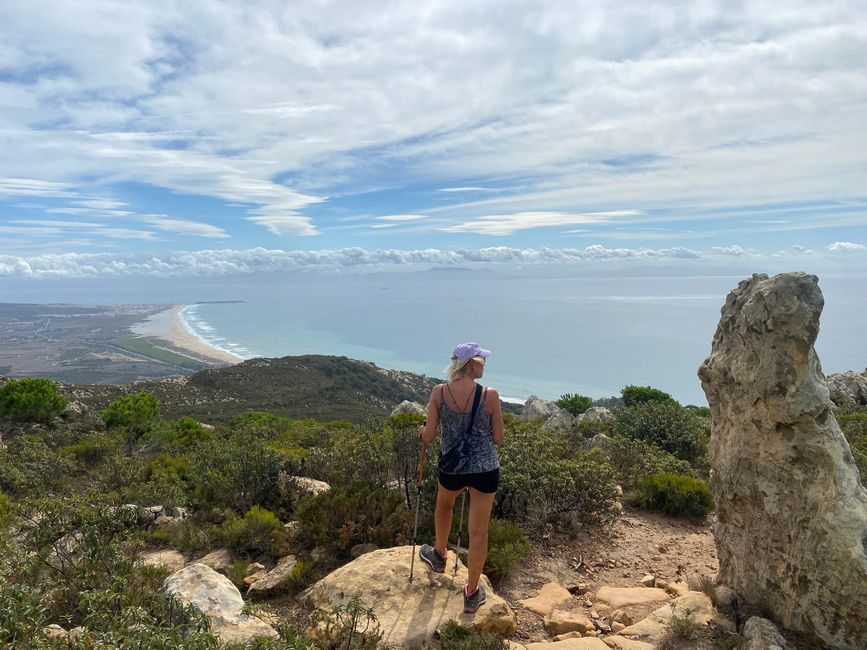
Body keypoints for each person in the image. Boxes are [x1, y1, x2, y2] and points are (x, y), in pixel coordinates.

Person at [417, 342, 505, 613]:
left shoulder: (439, 393)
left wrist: (421, 433)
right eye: (481, 361)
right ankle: (472, 591)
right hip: (485, 470)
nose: (484, 365)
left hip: (452, 467)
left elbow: (429, 436)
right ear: (470, 364)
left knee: (445, 504)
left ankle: (440, 555)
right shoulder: (489, 395)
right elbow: (499, 439)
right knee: (478, 530)